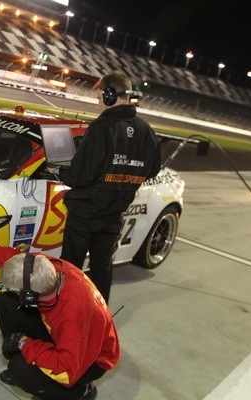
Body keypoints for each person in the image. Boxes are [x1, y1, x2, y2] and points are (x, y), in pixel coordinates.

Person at [0, 228, 119, 400]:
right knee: (7, 301)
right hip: (61, 334)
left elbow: (66, 370)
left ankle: (80, 391)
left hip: (86, 362)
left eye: (19, 292)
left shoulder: (73, 315)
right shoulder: (44, 268)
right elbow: (11, 259)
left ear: (29, 296)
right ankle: (30, 363)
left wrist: (24, 344)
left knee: (19, 370)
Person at [59, 70, 161, 303]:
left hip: (86, 212)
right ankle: (99, 313)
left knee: (70, 268)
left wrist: (61, 172)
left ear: (110, 95)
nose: (98, 104)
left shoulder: (102, 126)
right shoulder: (146, 130)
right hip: (114, 213)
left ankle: (66, 313)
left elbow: (82, 175)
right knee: (102, 267)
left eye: (98, 98)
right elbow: (152, 170)